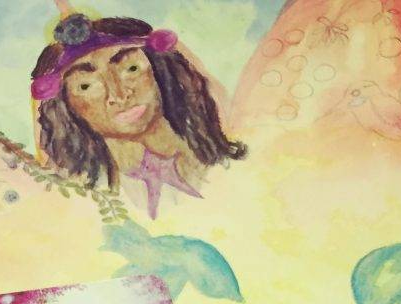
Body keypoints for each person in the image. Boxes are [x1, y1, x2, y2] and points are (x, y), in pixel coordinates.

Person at [31, 14, 246, 216]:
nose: (119, 95)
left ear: (159, 70)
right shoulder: (83, 201)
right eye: (86, 85)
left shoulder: (224, 169)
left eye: (131, 68)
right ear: (67, 107)